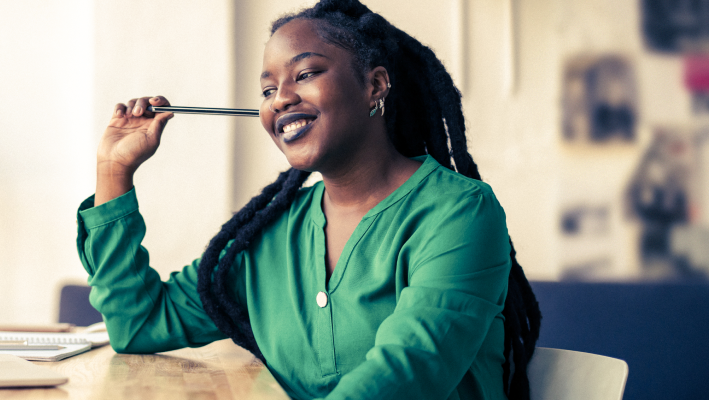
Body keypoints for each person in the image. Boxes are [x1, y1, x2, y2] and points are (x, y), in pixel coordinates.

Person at [76, 1, 542, 399]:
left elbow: (409, 371)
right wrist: (114, 171)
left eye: (306, 73)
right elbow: (139, 324)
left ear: (375, 86)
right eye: (266, 90)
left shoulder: (459, 213)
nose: (280, 99)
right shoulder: (268, 234)